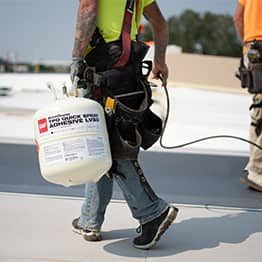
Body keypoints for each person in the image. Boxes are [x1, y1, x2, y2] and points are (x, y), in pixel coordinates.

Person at [70, 0, 178, 249]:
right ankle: (90, 218)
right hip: (127, 74)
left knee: (114, 149)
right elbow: (160, 25)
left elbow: (88, 7)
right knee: (103, 145)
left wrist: (76, 57)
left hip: (102, 74)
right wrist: (160, 61)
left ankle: (152, 213)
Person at [234, 0, 262, 192]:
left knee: (258, 108)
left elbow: (237, 18)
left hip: (251, 48)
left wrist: (246, 47)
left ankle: (255, 164)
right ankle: (257, 169)